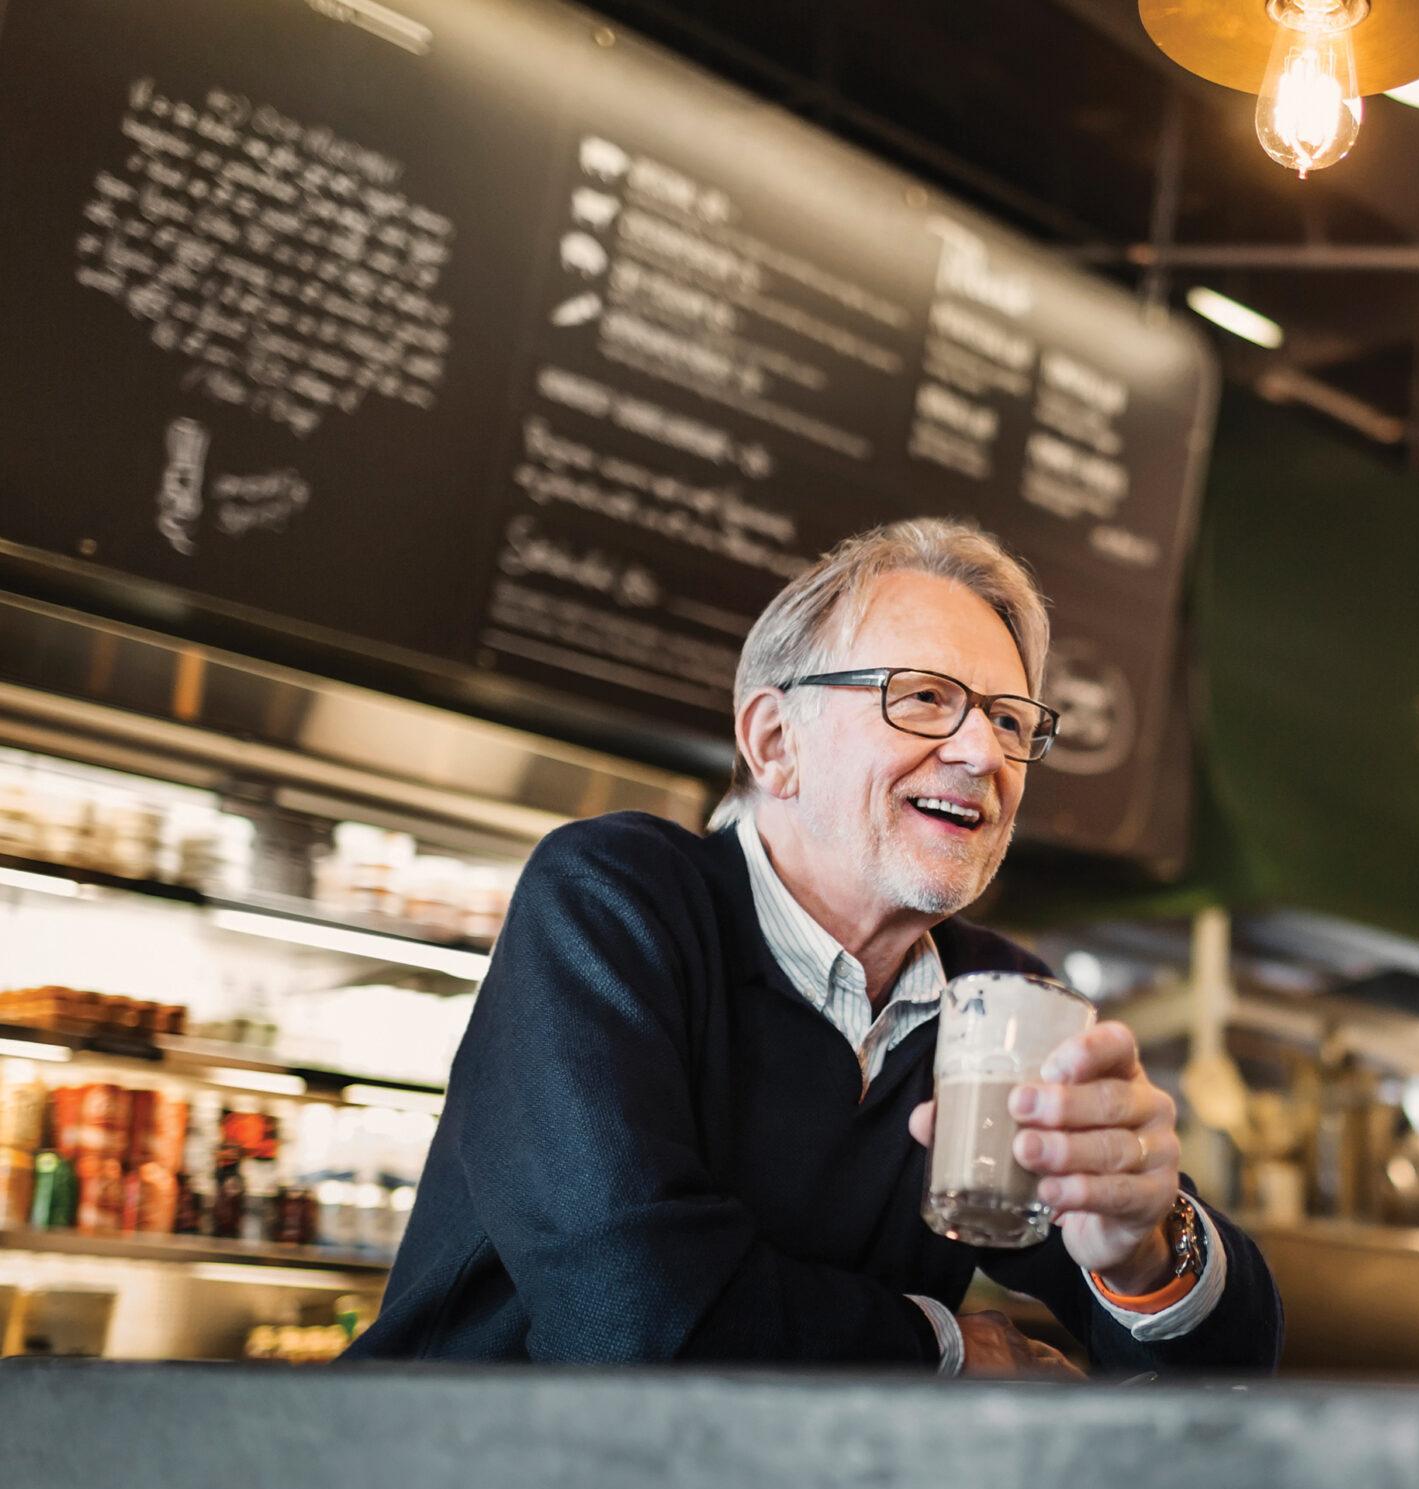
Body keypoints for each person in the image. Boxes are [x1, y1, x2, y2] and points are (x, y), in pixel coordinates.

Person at [352, 519, 1281, 1376]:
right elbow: (633, 1315)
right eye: (924, 698)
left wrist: (1149, 1245)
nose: (982, 755)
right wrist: (948, 1348)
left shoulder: (996, 1002)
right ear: (775, 741)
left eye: (1008, 720)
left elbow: (1224, 1375)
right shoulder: (614, 897)